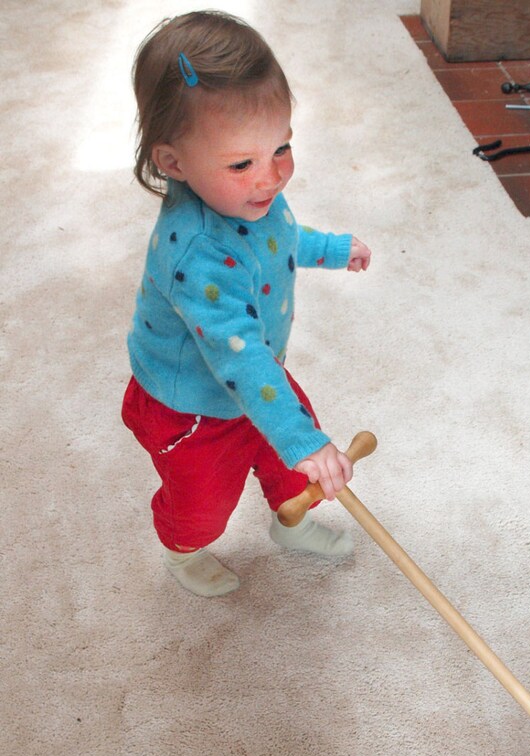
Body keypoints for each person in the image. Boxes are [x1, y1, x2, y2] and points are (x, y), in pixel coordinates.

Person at [122, 10, 371, 597]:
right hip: (193, 408)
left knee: (290, 453)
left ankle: (291, 518)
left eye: (281, 148)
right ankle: (183, 554)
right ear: (174, 163)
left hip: (256, 374)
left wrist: (331, 250)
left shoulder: (250, 200)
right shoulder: (197, 257)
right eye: (243, 163)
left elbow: (278, 240)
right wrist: (302, 437)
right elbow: (238, 360)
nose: (271, 178)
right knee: (203, 504)